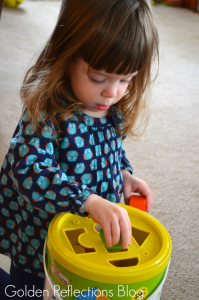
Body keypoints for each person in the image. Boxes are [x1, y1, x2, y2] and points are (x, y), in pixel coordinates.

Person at [0, 0, 158, 298]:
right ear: (67, 56)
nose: (112, 92)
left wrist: (124, 173)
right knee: (29, 292)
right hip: (44, 247)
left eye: (125, 79)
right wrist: (86, 199)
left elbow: (112, 149)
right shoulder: (47, 112)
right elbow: (29, 171)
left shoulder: (113, 108)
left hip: (92, 242)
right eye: (99, 78)